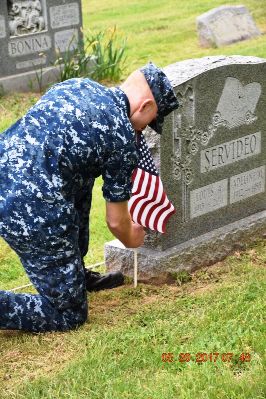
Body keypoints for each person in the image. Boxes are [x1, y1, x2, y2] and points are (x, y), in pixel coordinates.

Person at [0, 62, 179, 332]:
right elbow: (117, 222)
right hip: (31, 210)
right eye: (150, 123)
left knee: (80, 187)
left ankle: (75, 275)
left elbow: (76, 183)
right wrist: (134, 237)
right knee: (69, 315)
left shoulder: (79, 85)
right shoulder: (121, 137)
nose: (144, 131)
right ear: (144, 107)